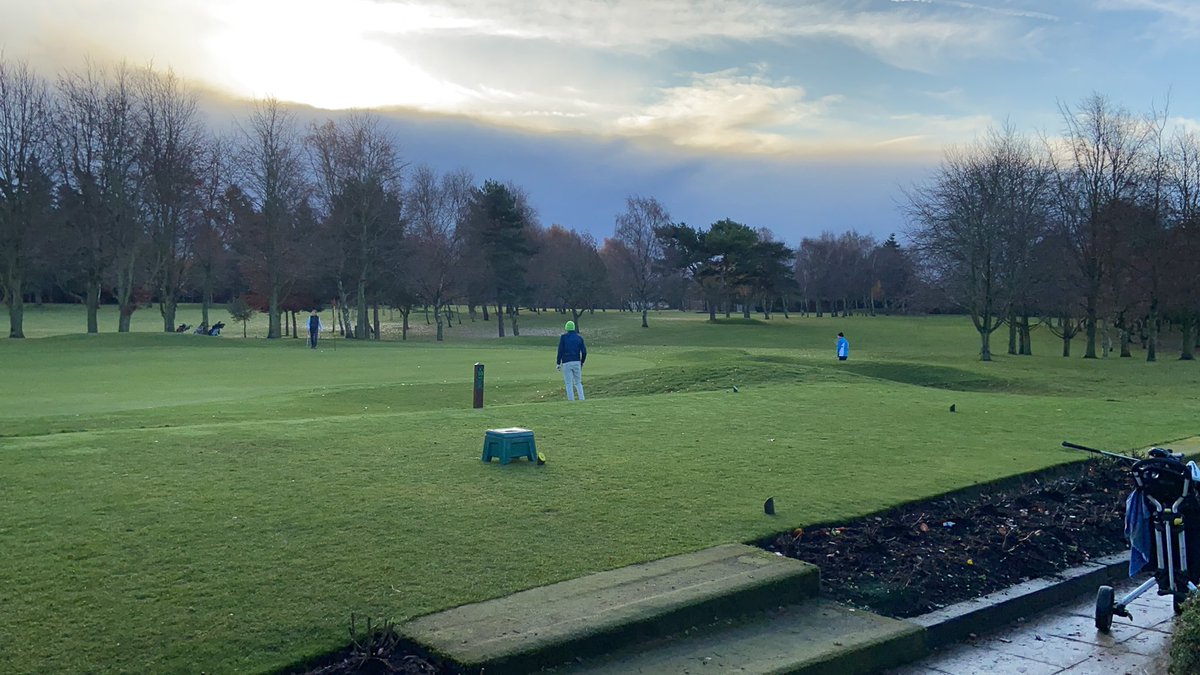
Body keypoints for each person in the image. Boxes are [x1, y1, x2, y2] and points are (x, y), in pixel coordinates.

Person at [556, 320, 587, 401]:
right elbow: (584, 352)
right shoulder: (579, 338)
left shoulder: (563, 338)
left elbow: (560, 351)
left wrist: (558, 363)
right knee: (578, 382)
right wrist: (582, 361)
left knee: (568, 383)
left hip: (566, 362)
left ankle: (571, 400)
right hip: (577, 361)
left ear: (566, 328)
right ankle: (582, 399)